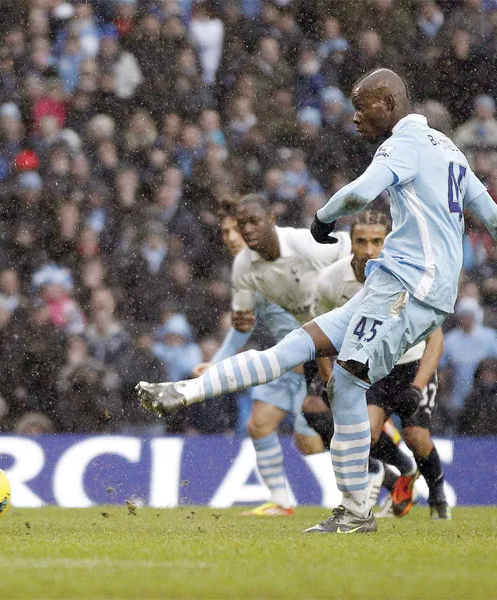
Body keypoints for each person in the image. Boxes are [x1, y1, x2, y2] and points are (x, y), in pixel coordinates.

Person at [137, 68, 497, 533]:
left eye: (361, 106)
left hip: (409, 287)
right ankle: (183, 393)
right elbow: (490, 214)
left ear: (388, 104)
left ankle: (356, 511)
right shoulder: (448, 150)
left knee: (345, 384)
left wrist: (323, 219)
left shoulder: (403, 143)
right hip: (395, 286)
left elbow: (361, 191)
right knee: (295, 347)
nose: (355, 117)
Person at [192, 203, 341, 517]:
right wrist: (217, 361)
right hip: (282, 362)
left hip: (316, 359)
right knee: (258, 425)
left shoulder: (289, 255)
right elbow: (242, 326)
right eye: (226, 232)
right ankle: (280, 501)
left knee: (309, 442)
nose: (232, 237)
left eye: (237, 229)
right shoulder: (245, 271)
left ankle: (369, 479)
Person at [305, 210, 450, 520]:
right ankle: (401, 471)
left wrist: (417, 387)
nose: (368, 250)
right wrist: (329, 380)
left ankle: (438, 496)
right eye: (360, 241)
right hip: (371, 369)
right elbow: (320, 335)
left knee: (417, 437)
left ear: (388, 242)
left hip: (412, 366)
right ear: (351, 242)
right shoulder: (330, 281)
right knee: (365, 434)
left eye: (376, 242)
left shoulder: (411, 277)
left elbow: (435, 340)